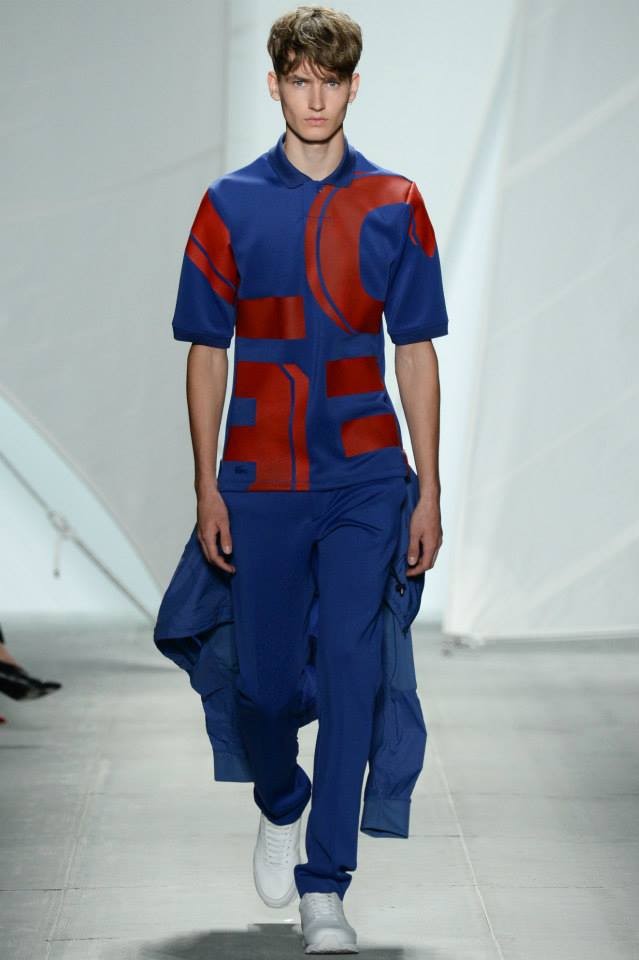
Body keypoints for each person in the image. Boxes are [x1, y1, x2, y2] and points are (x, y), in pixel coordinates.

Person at [170, 5, 449, 953]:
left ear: (353, 86)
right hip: (260, 476)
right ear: (275, 84)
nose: (315, 97)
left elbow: (415, 349)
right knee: (262, 687)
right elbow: (206, 350)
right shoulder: (229, 204)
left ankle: (325, 886)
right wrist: (206, 485)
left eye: (330, 81)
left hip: (367, 475)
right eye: (299, 79)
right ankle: (278, 797)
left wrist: (429, 487)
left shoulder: (395, 202)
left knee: (356, 675)